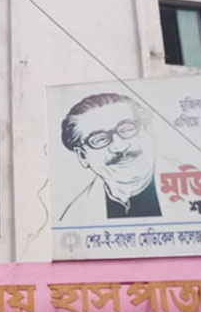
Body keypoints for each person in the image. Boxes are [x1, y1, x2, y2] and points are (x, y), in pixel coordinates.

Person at [58, 92, 160, 221]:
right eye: (99, 139)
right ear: (83, 156)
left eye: (127, 129)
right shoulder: (73, 217)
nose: (119, 147)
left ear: (149, 131)